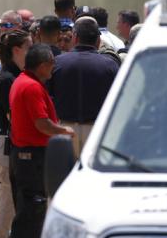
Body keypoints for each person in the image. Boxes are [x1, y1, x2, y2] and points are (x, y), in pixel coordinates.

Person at [7, 44, 75, 238]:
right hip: (30, 158)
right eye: (51, 64)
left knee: (29, 217)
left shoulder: (24, 82)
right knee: (30, 217)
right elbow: (42, 124)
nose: (53, 68)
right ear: (43, 64)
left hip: (27, 156)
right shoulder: (31, 86)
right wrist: (64, 131)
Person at [0, 29, 31, 238]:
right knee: (6, 201)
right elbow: (13, 117)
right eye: (28, 47)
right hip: (8, 144)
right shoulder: (8, 79)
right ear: (16, 50)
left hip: (14, 143)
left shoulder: (17, 75)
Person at [49, 19, 119, 156]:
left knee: (64, 176)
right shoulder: (110, 66)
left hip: (63, 131)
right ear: (98, 40)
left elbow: (47, 96)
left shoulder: (57, 63)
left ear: (75, 37)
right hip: (98, 132)